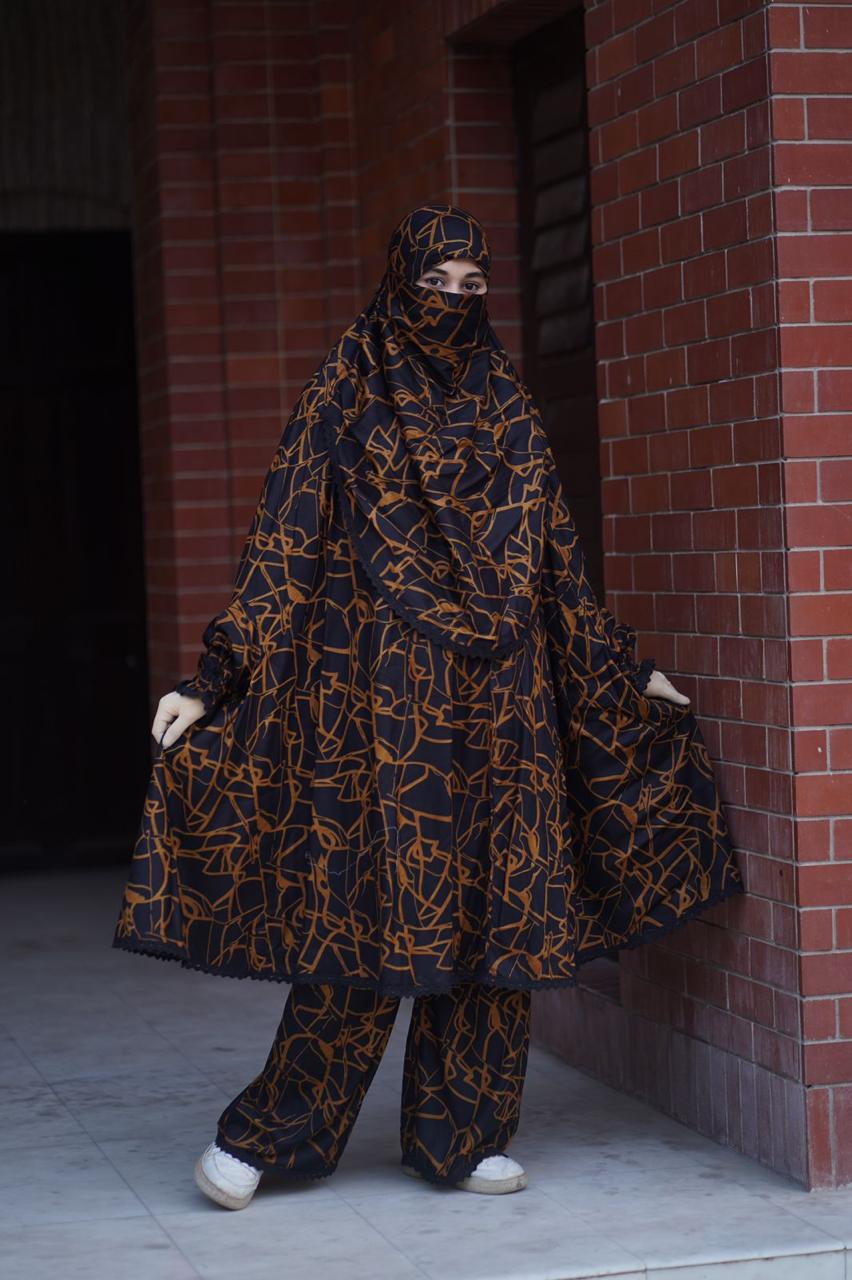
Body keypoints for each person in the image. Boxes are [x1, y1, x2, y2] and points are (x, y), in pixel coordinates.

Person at [113, 203, 744, 1209]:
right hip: (384, 706)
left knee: (498, 917)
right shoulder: (347, 390)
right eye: (434, 283)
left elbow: (557, 559)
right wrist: (214, 678)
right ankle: (272, 1131)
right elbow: (285, 541)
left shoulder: (507, 402)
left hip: (506, 701)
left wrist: (621, 669)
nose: (452, 302)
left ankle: (463, 1135)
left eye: (470, 286)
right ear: (400, 284)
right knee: (369, 918)